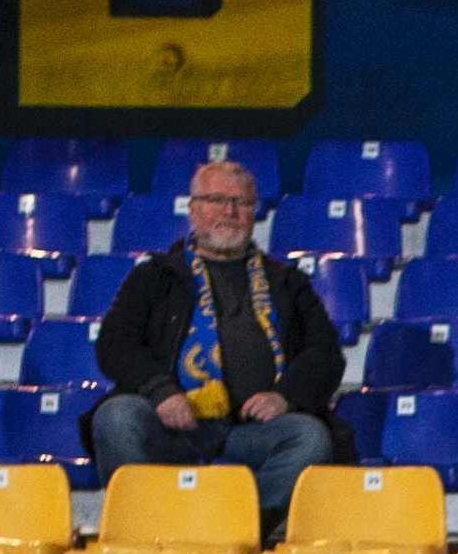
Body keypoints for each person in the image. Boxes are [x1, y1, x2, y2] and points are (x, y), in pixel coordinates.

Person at [88, 156, 343, 515]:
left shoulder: (287, 282)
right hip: (173, 425)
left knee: (309, 438)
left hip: (251, 432)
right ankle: (146, 523)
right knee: (117, 417)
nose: (230, 211)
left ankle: (231, 521)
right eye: (217, 200)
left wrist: (285, 397)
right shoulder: (155, 277)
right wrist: (160, 393)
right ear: (193, 210)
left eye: (241, 203)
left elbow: (326, 353)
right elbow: (115, 343)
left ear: (254, 213)